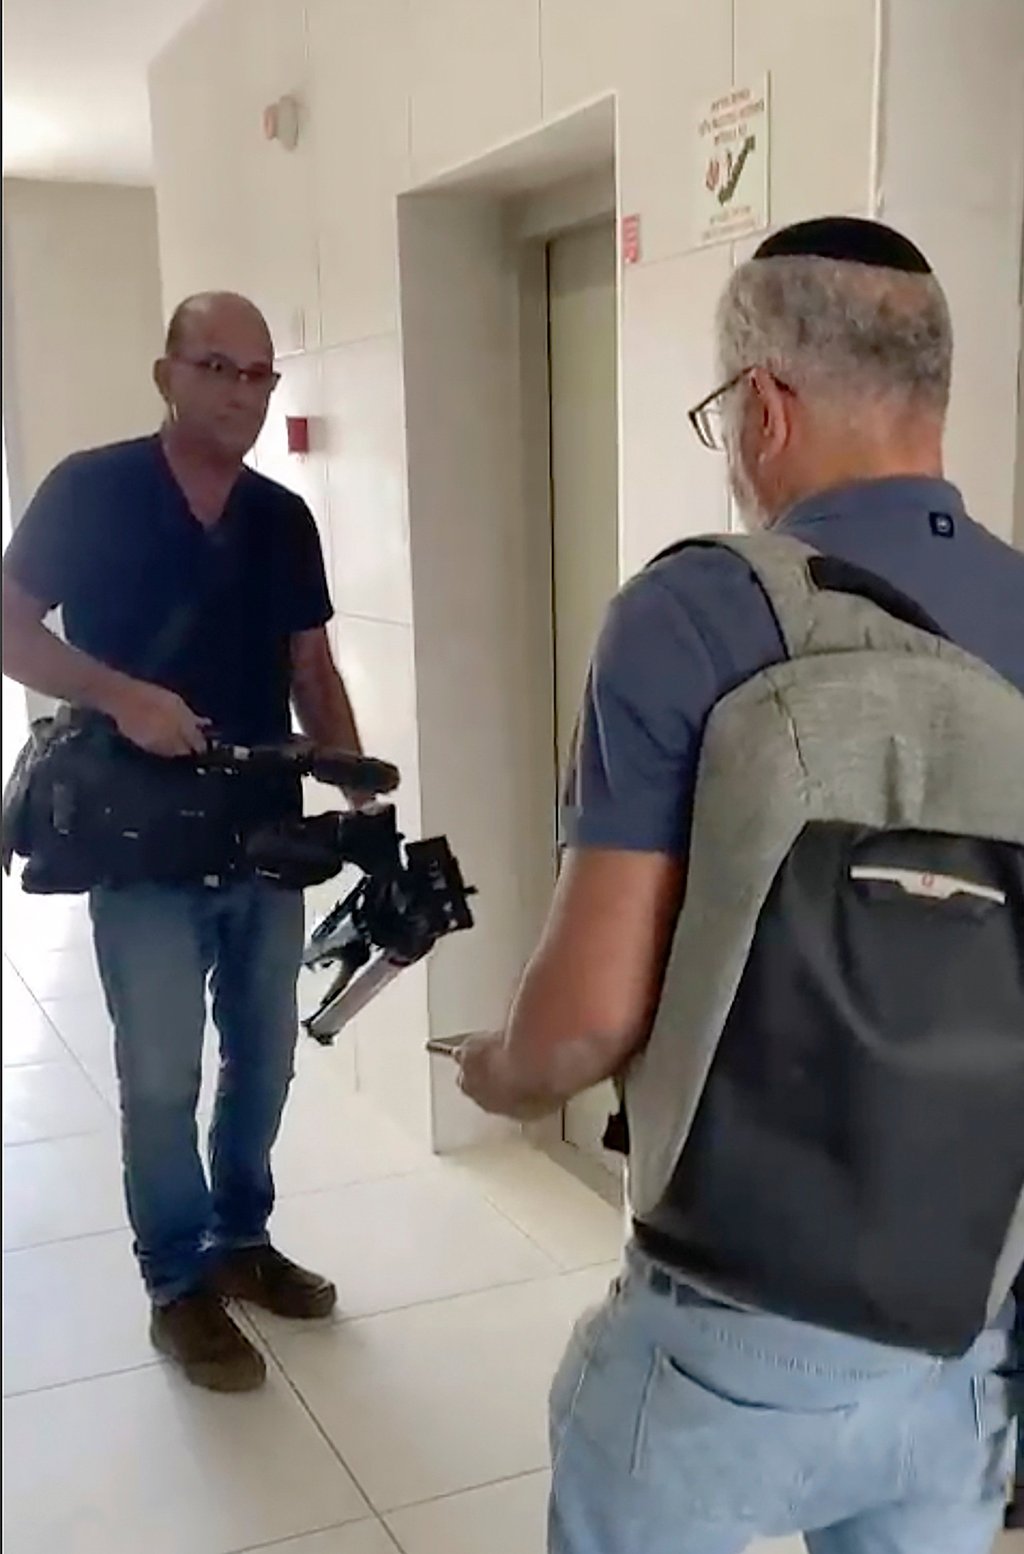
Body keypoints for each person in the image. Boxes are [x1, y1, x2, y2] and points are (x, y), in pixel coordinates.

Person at [456, 218, 1024, 1553]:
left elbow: (589, 1015)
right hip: (963, 1324)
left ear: (763, 405)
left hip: (728, 1326)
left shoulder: (691, 612)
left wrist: (502, 1071)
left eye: (722, 411)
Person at [2, 292, 363, 1393]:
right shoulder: (91, 488)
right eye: (219, 367)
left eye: (260, 375)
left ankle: (240, 1240)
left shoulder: (281, 518)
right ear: (167, 373)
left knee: (265, 1058)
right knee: (160, 1075)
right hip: (137, 833)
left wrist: (356, 797)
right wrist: (121, 695)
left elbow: (313, 671)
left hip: (262, 829)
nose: (242, 393)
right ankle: (176, 1281)